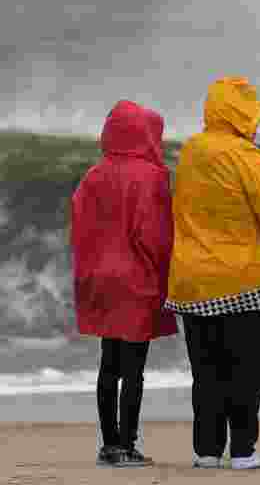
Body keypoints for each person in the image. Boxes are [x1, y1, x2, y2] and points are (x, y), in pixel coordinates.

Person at [165, 77, 260, 470]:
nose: (257, 124)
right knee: (247, 373)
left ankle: (207, 451)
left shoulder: (191, 152)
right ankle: (243, 450)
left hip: (192, 281)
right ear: (242, 115)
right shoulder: (254, 162)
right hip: (247, 282)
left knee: (206, 372)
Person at [70, 100, 177, 467]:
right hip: (136, 280)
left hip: (99, 278)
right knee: (133, 368)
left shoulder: (93, 175)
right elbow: (156, 238)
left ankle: (109, 445)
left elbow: (80, 229)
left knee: (108, 364)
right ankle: (128, 445)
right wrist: (165, 276)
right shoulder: (152, 177)